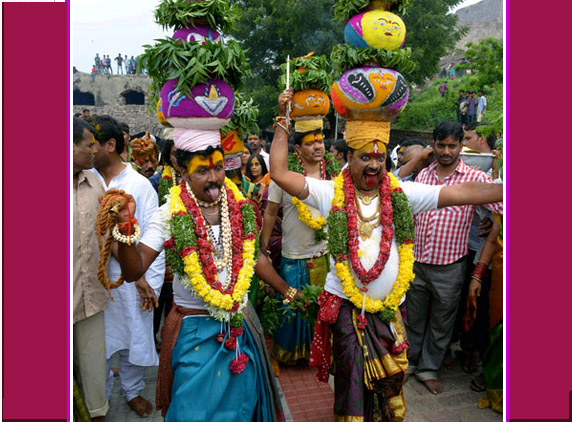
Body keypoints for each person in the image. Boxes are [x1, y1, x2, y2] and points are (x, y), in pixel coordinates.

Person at [269, 89, 503, 421]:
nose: (375, 165)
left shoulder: (401, 193)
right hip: (347, 308)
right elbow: (279, 173)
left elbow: (462, 192)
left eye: (380, 158)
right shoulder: (329, 193)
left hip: (388, 312)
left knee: (387, 384)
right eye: (366, 157)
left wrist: (509, 187)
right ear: (349, 157)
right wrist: (283, 118)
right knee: (351, 383)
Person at [107, 127, 300, 421]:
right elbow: (135, 270)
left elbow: (254, 256)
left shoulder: (238, 205)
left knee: (241, 409)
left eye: (219, 168)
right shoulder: (169, 213)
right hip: (194, 327)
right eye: (202, 171)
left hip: (238, 325)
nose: (214, 178)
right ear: (182, 171)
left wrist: (286, 289)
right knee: (190, 411)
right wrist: (125, 229)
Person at [406, 121, 502, 395]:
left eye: (452, 145)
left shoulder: (476, 179)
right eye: (440, 145)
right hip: (417, 261)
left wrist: (490, 223)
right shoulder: (423, 176)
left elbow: (502, 207)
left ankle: (428, 369)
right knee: (414, 317)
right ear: (432, 146)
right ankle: (411, 364)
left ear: (462, 146)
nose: (446, 151)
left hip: (451, 265)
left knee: (442, 321)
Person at [92, 115, 165, 418]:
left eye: (88, 144)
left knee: (133, 337)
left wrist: (145, 280)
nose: (80, 150)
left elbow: (152, 236)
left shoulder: (139, 185)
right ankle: (101, 394)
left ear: (109, 145)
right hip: (94, 279)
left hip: (131, 279)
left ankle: (133, 390)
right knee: (98, 342)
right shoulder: (86, 180)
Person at [261, 127, 339, 367]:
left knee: (323, 307)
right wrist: (262, 248)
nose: (318, 147)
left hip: (325, 253)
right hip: (294, 254)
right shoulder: (284, 176)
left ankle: (320, 352)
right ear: (297, 149)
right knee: (293, 308)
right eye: (310, 143)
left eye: (321, 142)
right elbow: (271, 212)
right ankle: (290, 356)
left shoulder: (333, 176)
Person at [73, 117, 109, 422]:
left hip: (92, 295)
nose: (94, 149)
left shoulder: (95, 180)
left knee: (94, 369)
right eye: (88, 144)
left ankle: (98, 415)